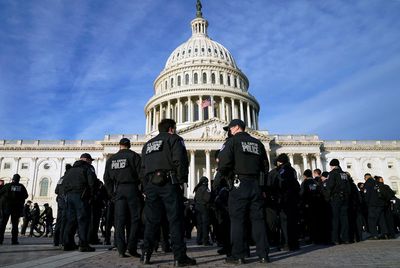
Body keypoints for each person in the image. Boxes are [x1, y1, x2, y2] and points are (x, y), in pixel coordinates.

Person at [140, 119, 196, 266]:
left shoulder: (148, 145)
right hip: (169, 183)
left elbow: (142, 168)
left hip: (151, 185)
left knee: (152, 221)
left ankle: (146, 254)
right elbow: (181, 161)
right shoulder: (175, 139)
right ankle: (179, 257)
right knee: (175, 220)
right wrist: (181, 181)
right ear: (172, 129)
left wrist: (146, 187)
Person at [218, 119, 270, 264]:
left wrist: (228, 177)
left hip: (239, 184)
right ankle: (264, 254)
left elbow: (223, 164)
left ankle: (238, 255)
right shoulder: (258, 143)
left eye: (229, 128)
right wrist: (262, 187)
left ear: (235, 128)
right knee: (258, 221)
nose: (228, 131)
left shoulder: (232, 142)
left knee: (237, 221)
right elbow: (265, 167)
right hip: (256, 185)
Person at [104, 138, 142, 258]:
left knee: (119, 221)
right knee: (135, 219)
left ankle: (121, 249)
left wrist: (112, 193)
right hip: (132, 189)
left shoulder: (111, 159)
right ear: (129, 145)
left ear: (119, 145)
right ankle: (132, 247)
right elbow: (141, 174)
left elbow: (107, 178)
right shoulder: (134, 156)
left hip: (118, 190)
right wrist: (143, 191)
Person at [62, 153, 96, 252]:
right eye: (90, 160)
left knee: (70, 220)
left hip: (69, 197)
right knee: (83, 220)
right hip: (81, 196)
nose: (91, 162)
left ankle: (67, 243)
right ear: (86, 160)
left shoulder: (70, 170)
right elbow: (92, 183)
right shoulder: (87, 168)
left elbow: (63, 184)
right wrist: (91, 195)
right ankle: (83, 244)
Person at [276, 153, 300, 251]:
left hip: (286, 198)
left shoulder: (283, 170)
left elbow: (281, 184)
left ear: (280, 161)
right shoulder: (293, 170)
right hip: (293, 198)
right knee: (293, 221)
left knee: (285, 223)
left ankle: (286, 244)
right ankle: (295, 243)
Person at [326, 159, 350, 244]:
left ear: (332, 166)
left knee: (335, 219)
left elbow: (330, 186)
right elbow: (348, 187)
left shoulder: (332, 173)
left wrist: (327, 198)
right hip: (345, 198)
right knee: (344, 219)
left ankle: (335, 239)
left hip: (336, 198)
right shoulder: (344, 174)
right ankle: (346, 238)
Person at [0, 174, 28, 245]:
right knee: (15, 225)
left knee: (3, 224)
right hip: (16, 208)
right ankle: (14, 240)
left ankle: (0, 240)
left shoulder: (7, 185)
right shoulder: (21, 186)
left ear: (12, 179)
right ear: (19, 179)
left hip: (6, 207)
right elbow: (26, 196)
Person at [54, 164, 72, 247]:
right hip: (66, 200)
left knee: (59, 221)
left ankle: (56, 240)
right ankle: (62, 240)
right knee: (65, 220)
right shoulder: (70, 178)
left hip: (59, 200)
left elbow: (56, 190)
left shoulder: (61, 178)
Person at [193, 176, 212, 246]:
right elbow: (208, 199)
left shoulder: (197, 189)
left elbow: (195, 199)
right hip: (204, 208)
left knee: (199, 225)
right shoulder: (206, 189)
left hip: (197, 208)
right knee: (205, 225)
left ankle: (199, 240)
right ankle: (205, 241)